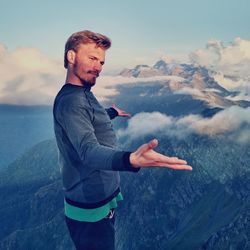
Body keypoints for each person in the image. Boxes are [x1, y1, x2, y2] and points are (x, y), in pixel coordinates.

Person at [53, 30, 192, 250]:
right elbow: (88, 151)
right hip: (90, 208)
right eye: (92, 58)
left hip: (99, 200)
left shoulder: (82, 93)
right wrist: (131, 159)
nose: (98, 66)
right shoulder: (71, 102)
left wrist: (110, 112)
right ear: (71, 57)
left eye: (101, 61)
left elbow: (87, 118)